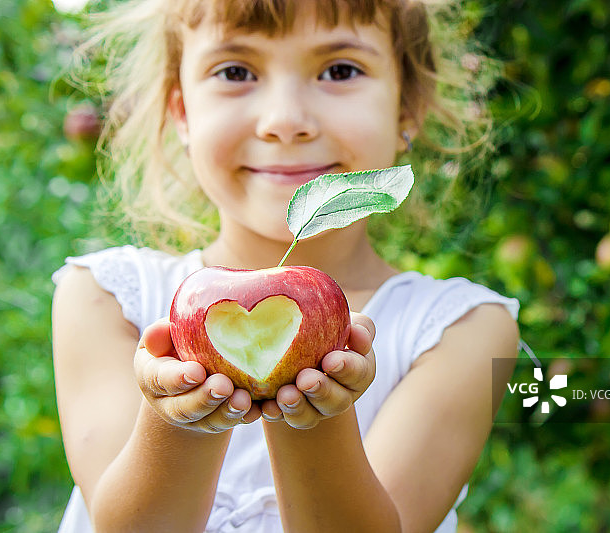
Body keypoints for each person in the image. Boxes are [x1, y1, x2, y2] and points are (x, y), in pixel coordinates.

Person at [52, 0, 522, 531]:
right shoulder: (106, 298)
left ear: (406, 108)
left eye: (339, 70)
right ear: (182, 114)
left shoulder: (460, 328)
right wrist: (180, 418)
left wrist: (315, 411)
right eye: (236, 72)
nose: (285, 122)